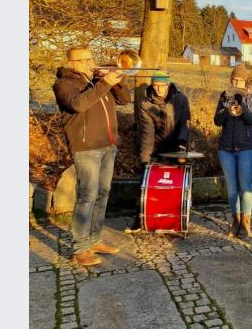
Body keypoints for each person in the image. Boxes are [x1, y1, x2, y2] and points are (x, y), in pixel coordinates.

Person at [52, 46, 131, 267]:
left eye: (91, 58)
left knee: (102, 194)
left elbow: (125, 100)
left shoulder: (96, 81)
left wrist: (117, 82)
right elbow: (79, 105)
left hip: (108, 145)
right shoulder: (64, 84)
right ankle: (80, 249)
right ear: (73, 63)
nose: (91, 62)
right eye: (85, 60)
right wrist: (105, 84)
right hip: (86, 148)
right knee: (87, 196)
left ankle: (95, 240)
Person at [125, 71, 191, 232]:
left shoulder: (180, 100)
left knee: (175, 183)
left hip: (177, 145)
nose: (159, 89)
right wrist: (145, 158)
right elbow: (148, 133)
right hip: (156, 146)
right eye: (155, 85)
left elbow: (185, 123)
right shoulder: (146, 104)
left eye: (162, 85)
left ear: (168, 84)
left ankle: (174, 217)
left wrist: (182, 143)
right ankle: (139, 218)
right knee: (145, 181)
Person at [214, 64, 252, 239]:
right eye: (233, 79)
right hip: (226, 148)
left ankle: (246, 225)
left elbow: (251, 120)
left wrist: (242, 104)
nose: (235, 82)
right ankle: (236, 221)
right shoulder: (224, 96)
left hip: (246, 148)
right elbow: (217, 121)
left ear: (245, 80)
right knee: (232, 189)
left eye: (238, 79)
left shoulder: (251, 97)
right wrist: (226, 107)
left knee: (245, 187)